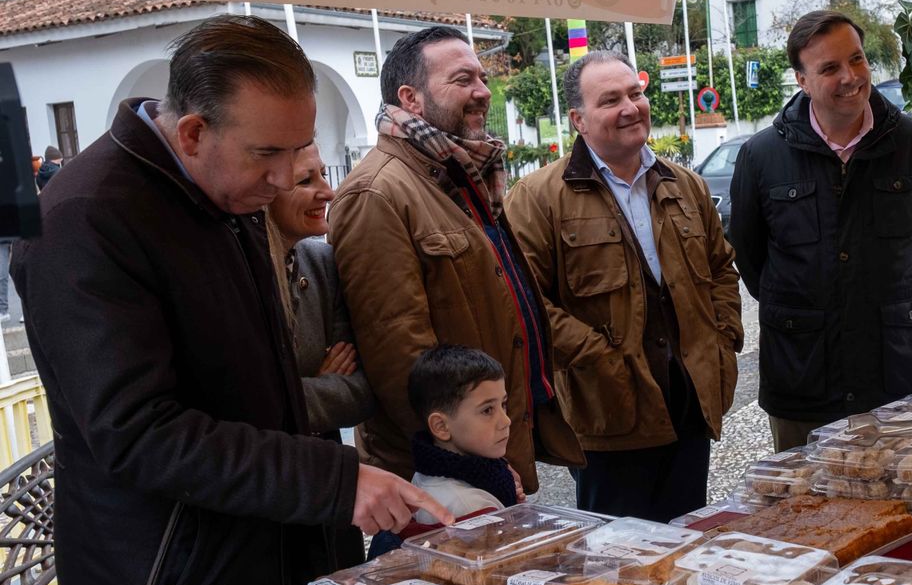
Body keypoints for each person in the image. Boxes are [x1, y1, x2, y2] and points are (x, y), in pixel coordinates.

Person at [11, 15, 447, 585]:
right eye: (266, 153)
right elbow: (140, 432)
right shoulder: (87, 219)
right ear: (192, 133)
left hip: (270, 573)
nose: (285, 176)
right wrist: (333, 481)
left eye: (299, 149)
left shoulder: (224, 190)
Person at [330, 26, 581, 494]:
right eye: (463, 80)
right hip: (446, 473)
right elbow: (399, 355)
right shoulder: (378, 193)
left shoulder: (464, 174)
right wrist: (463, 464)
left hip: (485, 451)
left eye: (483, 79)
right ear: (411, 98)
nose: (483, 92)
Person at [507, 51, 742, 519]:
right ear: (578, 119)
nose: (631, 108)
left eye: (635, 93)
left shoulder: (685, 185)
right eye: (610, 100)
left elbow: (721, 267)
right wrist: (596, 357)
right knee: (620, 561)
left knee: (686, 540)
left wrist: (722, 336)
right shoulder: (537, 198)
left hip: (689, 402)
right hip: (607, 413)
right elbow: (525, 302)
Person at [729, 10, 912, 451]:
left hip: (896, 378)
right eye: (830, 68)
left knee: (905, 507)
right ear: (801, 80)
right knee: (811, 510)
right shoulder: (761, 156)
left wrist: (898, 302)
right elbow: (751, 258)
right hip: (804, 380)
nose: (850, 77)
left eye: (856, 60)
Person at [265, 142, 377, 440]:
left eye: (324, 175)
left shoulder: (323, 263)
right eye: (305, 180)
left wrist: (291, 396)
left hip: (322, 467)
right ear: (264, 193)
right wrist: (321, 386)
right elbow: (239, 402)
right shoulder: (238, 275)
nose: (329, 192)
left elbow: (361, 392)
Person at [366, 345, 523, 557]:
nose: (506, 420)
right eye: (487, 410)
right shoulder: (468, 507)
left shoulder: (430, 473)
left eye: (503, 404)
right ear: (441, 427)